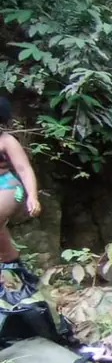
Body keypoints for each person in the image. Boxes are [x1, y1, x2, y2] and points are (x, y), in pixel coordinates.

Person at [0, 97, 41, 269]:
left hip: (8, 186)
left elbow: (24, 169)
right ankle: (13, 268)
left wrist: (32, 196)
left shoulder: (7, 141)